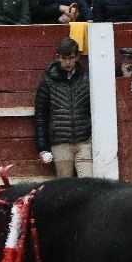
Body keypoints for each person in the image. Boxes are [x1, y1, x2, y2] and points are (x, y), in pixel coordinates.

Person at [34, 38, 92, 179]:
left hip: (84, 141)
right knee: (65, 188)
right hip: (60, 143)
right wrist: (42, 147)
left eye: (71, 58)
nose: (67, 62)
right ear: (58, 56)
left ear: (77, 57)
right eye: (64, 58)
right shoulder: (48, 82)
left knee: (89, 184)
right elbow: (41, 115)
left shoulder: (86, 79)